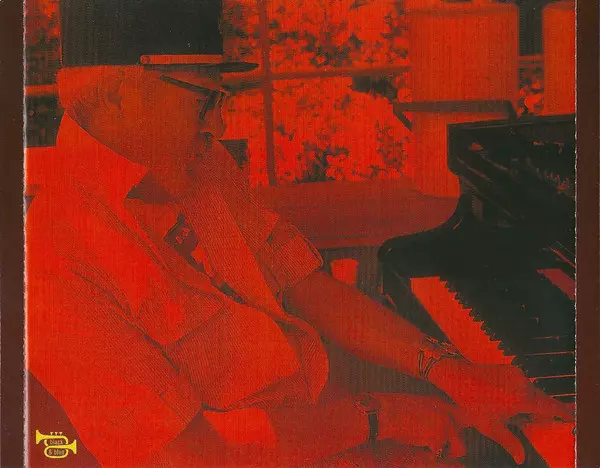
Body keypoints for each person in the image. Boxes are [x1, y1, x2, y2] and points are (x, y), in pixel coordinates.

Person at [25, 0, 573, 466]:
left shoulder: (196, 162)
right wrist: (381, 417)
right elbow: (189, 454)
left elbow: (300, 281)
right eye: (203, 100)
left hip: (336, 428)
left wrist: (450, 370)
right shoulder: (53, 262)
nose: (219, 125)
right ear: (118, 95)